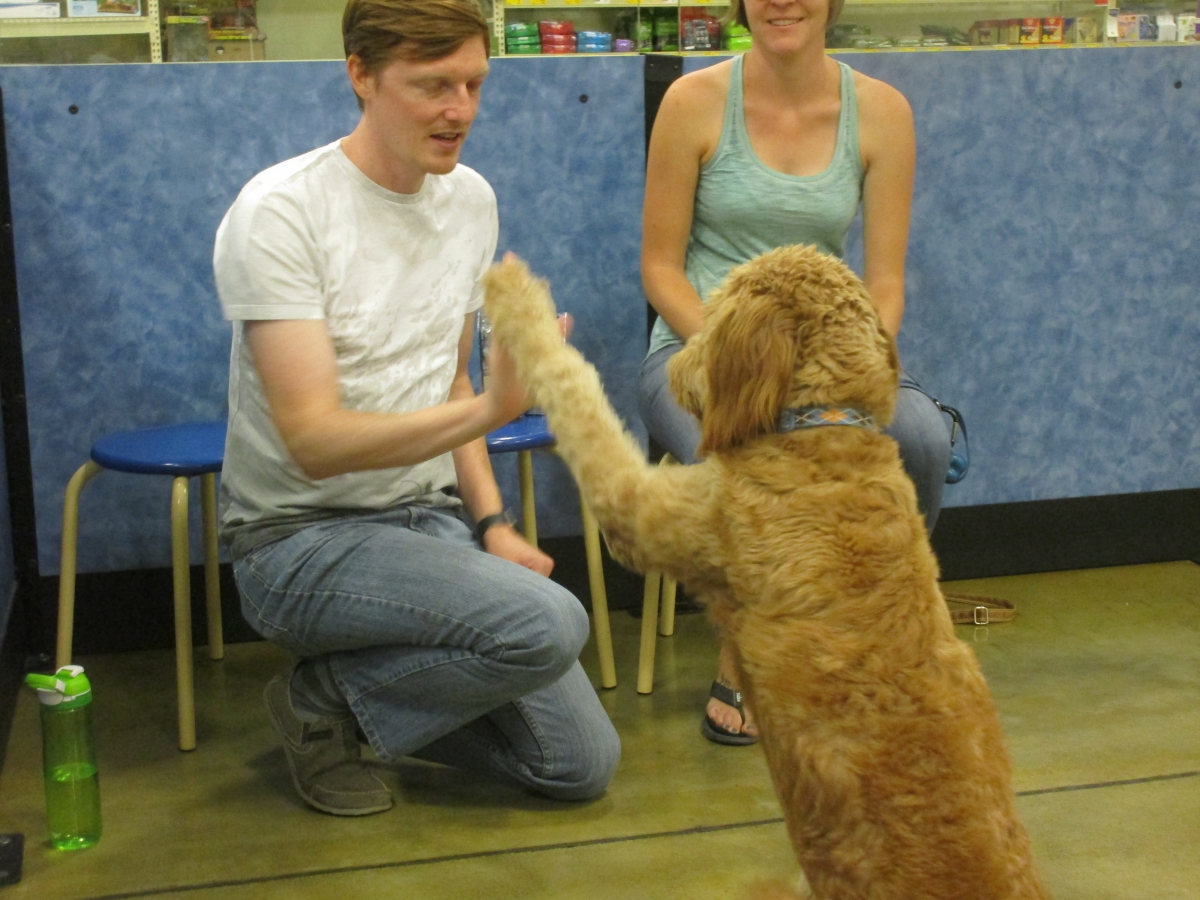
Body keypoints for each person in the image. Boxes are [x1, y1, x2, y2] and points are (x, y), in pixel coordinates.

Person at [212, 0, 620, 816]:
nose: (459, 109)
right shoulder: (281, 211)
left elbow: (449, 379)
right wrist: (500, 408)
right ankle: (321, 698)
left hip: (425, 521)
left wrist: (491, 522)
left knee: (579, 764)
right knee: (547, 625)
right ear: (360, 75)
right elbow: (315, 442)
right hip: (297, 539)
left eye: (474, 84)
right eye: (433, 85)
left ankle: (342, 701)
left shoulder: (468, 200)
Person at [638, 0, 952, 746]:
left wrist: (840, 371)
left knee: (921, 439)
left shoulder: (883, 113)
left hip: (828, 359)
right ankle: (751, 652)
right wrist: (742, 360)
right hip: (699, 353)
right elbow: (659, 268)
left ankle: (869, 631)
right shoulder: (691, 102)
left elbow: (885, 287)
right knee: (758, 453)